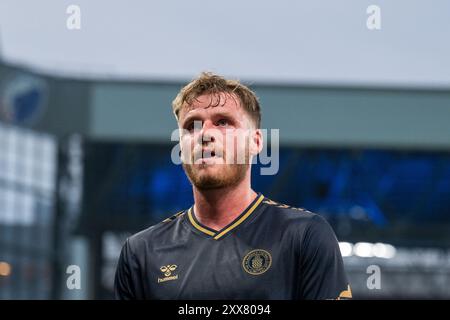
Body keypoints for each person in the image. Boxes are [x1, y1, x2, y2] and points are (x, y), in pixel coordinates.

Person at [114, 72, 351, 299]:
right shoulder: (142, 252)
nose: (205, 134)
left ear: (256, 142)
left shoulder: (305, 236)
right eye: (191, 126)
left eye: (223, 122)